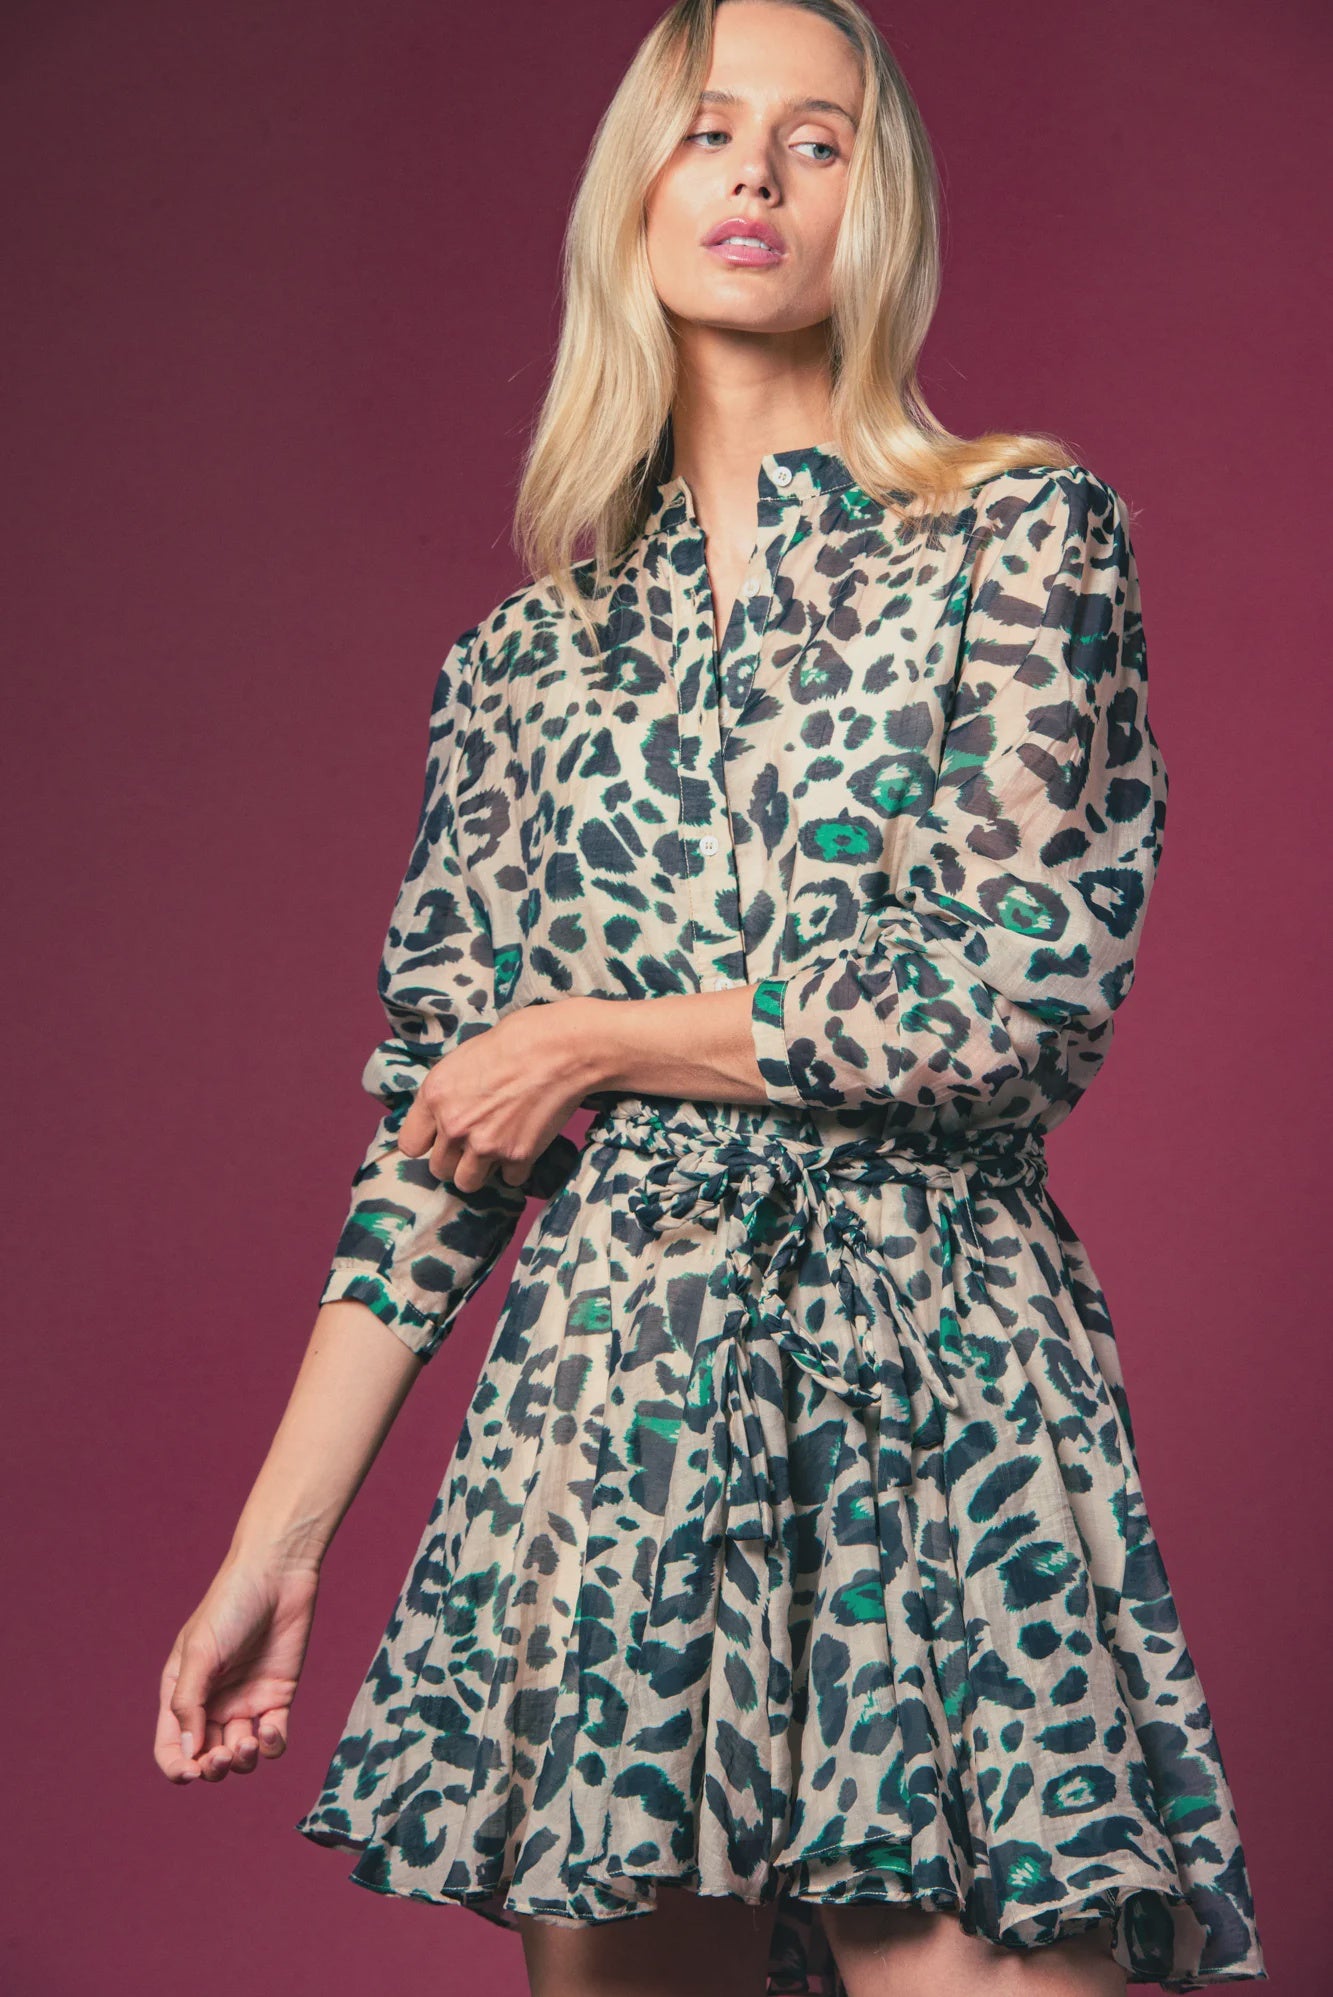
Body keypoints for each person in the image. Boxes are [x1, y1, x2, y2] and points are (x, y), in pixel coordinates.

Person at [153, 3, 1267, 1993]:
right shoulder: (517, 671)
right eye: (706, 130)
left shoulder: (1018, 536)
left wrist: (594, 1039)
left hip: (940, 1392)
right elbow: (433, 1140)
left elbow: (1005, 993)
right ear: (637, 192)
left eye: (816, 139)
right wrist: (276, 1549)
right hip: (616, 1418)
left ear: (880, 205)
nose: (753, 175)